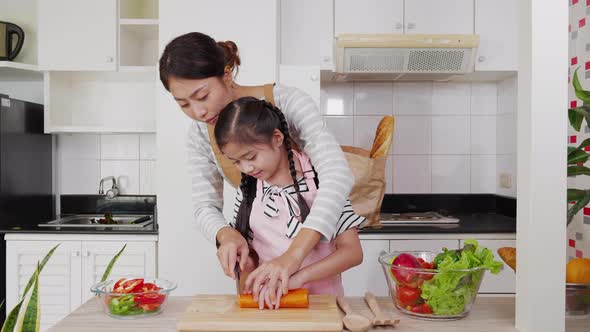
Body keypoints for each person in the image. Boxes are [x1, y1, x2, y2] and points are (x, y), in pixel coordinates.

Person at [158, 32, 355, 304]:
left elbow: (337, 175)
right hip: (266, 281)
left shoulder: (288, 102)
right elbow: (205, 206)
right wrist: (226, 236)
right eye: (183, 104)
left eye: (202, 95)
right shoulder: (200, 135)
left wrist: (293, 258)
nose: (198, 113)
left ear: (227, 75)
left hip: (312, 282)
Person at [214, 97, 364, 309]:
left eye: (251, 156)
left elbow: (352, 252)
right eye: (237, 161)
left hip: (323, 306)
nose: (246, 168)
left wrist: (301, 277)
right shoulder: (249, 190)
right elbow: (251, 258)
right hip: (271, 305)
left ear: (277, 138)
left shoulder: (324, 180)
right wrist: (244, 263)